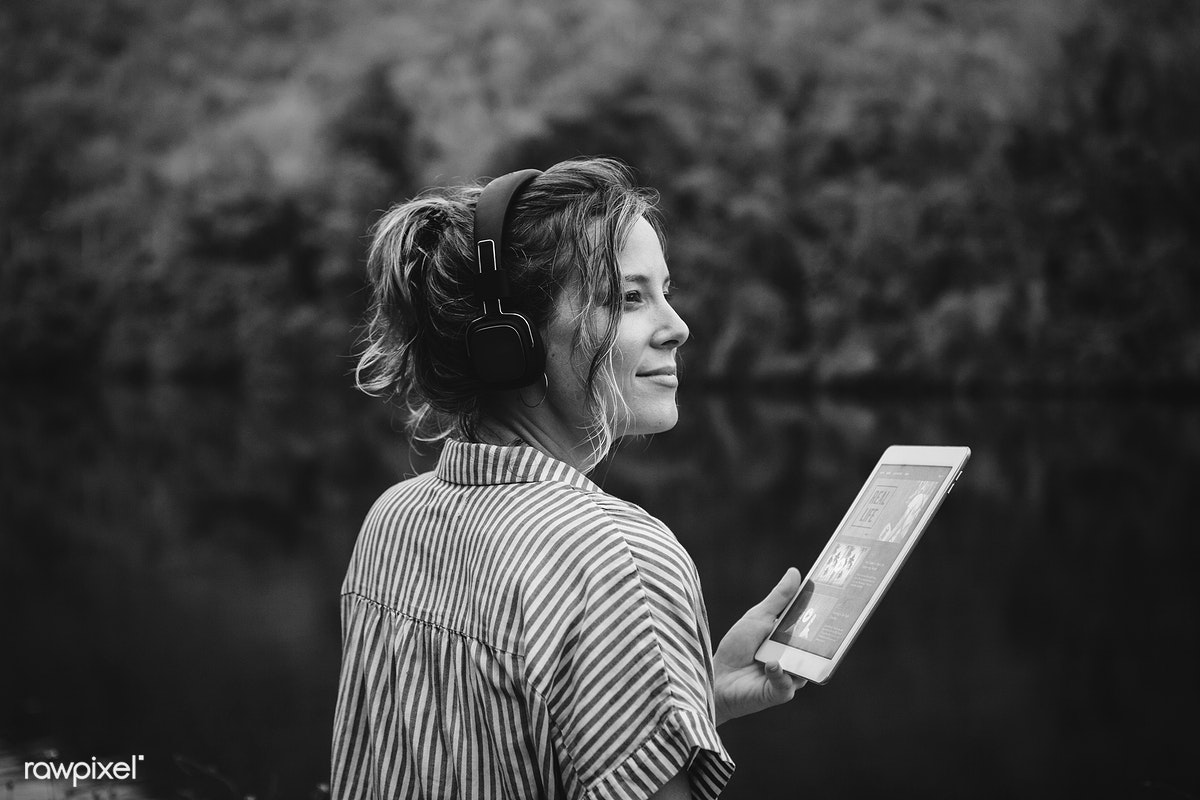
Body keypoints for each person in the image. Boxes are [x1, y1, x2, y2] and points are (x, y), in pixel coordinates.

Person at [332, 157, 805, 800]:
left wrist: (698, 698)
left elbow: (487, 749)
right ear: (512, 339)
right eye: (630, 298)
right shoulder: (618, 558)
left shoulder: (394, 518)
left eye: (666, 291)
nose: (678, 327)